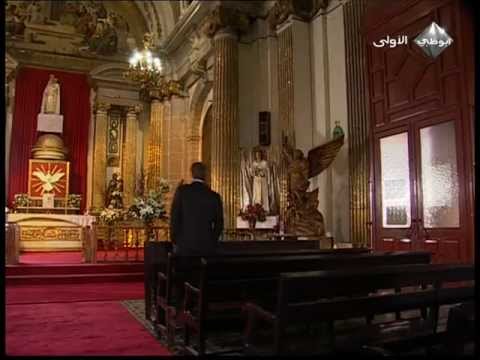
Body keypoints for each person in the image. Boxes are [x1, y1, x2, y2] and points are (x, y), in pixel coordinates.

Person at [170, 162, 224, 256]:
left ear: (192, 173)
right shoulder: (214, 196)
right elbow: (219, 223)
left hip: (184, 245)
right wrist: (212, 240)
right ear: (205, 174)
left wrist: (175, 239)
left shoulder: (182, 191)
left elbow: (174, 217)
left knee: (185, 271)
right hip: (206, 246)